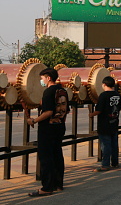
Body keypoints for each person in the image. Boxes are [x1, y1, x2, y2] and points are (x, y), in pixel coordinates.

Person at [27, 68, 69, 196]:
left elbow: (48, 112)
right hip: (60, 126)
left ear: (48, 78)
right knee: (57, 155)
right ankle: (58, 184)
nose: (42, 81)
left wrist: (34, 120)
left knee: (46, 158)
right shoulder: (63, 91)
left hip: (48, 128)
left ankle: (47, 187)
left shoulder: (48, 91)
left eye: (42, 78)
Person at [89, 76, 121, 170]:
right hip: (114, 122)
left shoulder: (103, 95)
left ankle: (105, 164)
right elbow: (119, 107)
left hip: (104, 124)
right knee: (114, 144)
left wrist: (91, 114)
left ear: (104, 84)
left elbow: (99, 110)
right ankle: (115, 163)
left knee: (106, 145)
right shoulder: (117, 94)